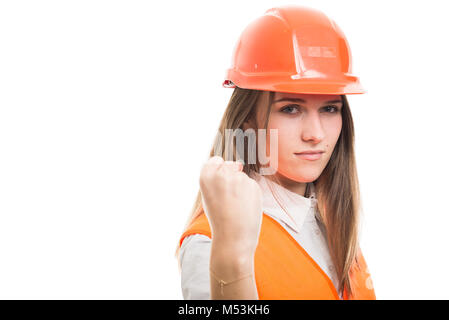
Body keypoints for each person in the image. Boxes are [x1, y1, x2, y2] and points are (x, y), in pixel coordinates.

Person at [176, 5, 376, 300]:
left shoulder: (330, 220)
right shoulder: (209, 242)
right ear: (248, 122)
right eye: (291, 109)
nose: (316, 134)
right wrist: (232, 259)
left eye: (330, 108)